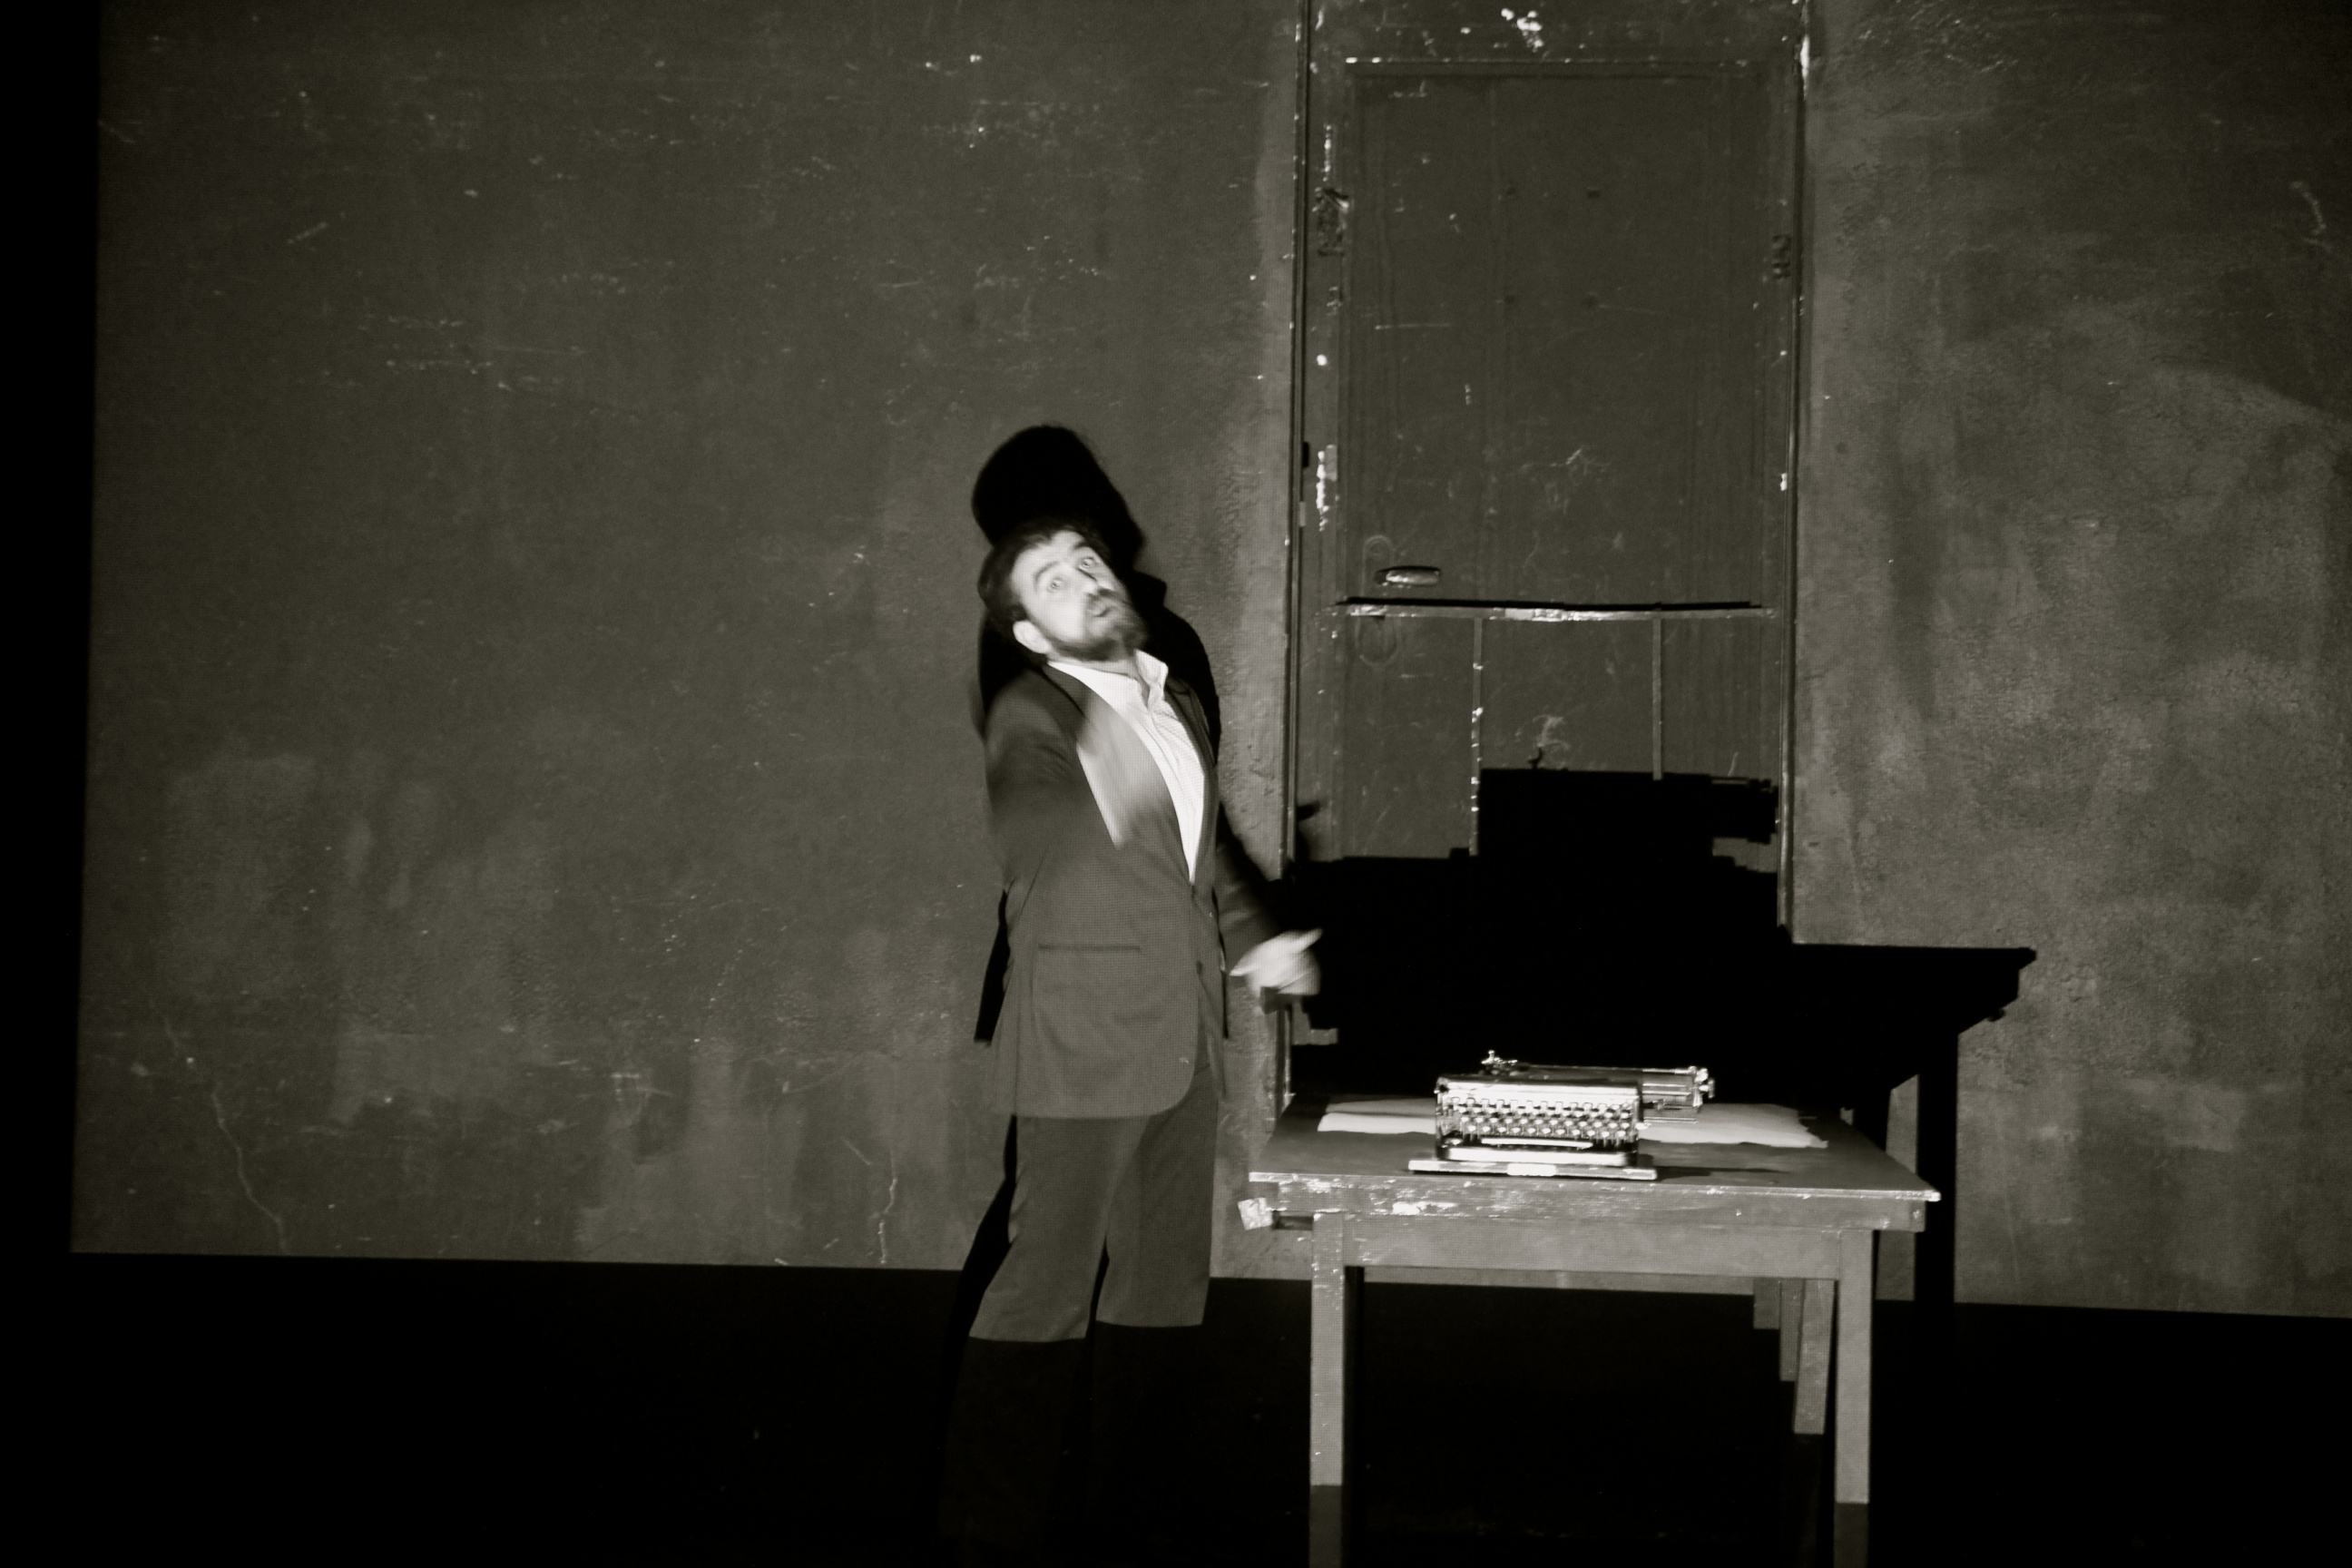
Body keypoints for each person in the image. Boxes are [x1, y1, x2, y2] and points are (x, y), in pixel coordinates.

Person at [937, 515, 1318, 1566]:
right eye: (1052, 582)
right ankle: (986, 1534)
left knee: (1162, 1287)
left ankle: (1135, 1521)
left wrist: (1256, 938)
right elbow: (1040, 837)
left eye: (1087, 562)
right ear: (1030, 632)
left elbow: (1199, 858)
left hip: (1182, 1033)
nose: (1084, 580)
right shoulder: (1032, 713)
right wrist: (1111, 734)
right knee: (1044, 1288)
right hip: (1082, 1041)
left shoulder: (1174, 700)